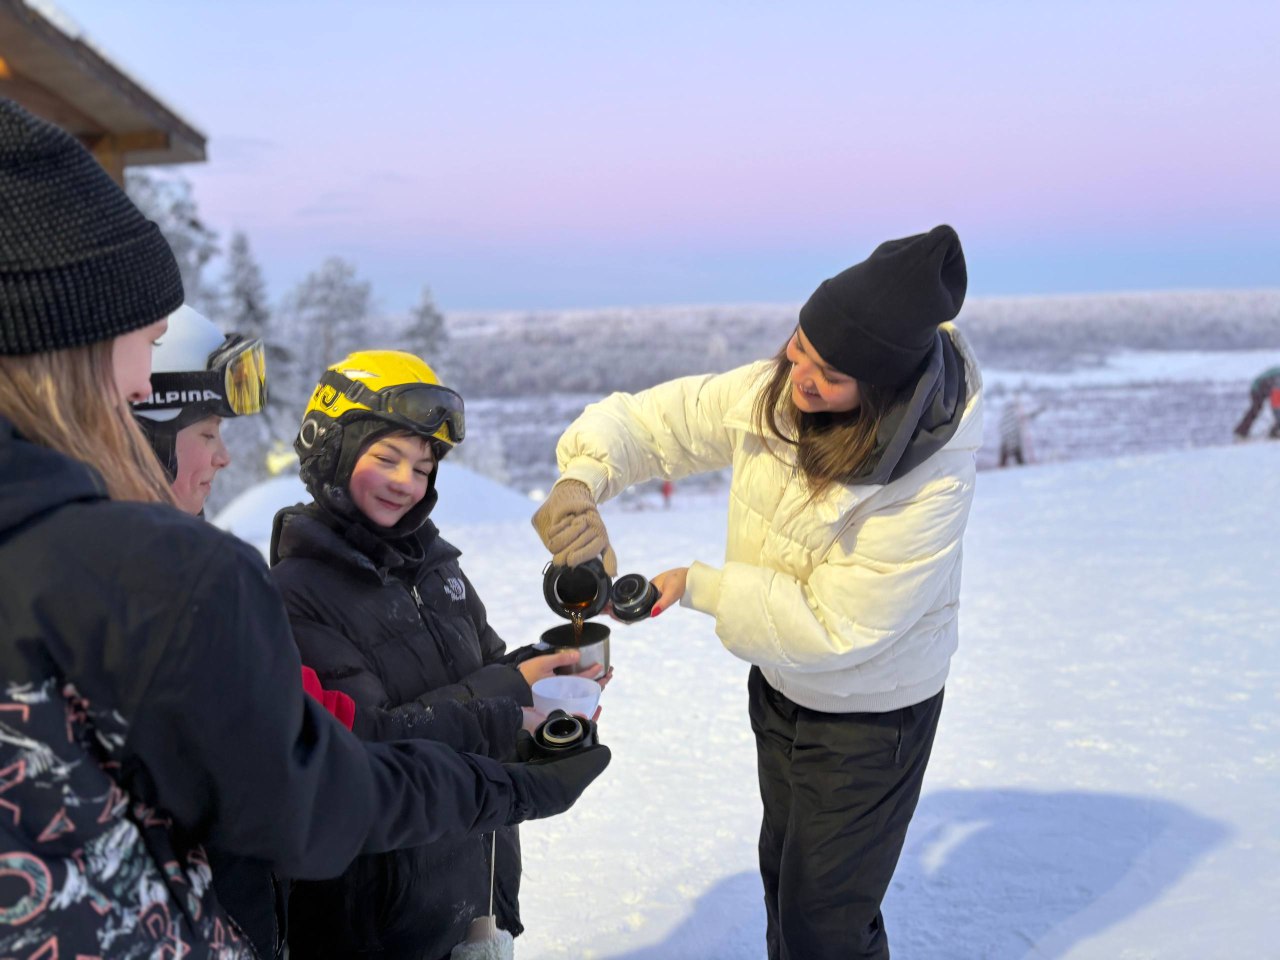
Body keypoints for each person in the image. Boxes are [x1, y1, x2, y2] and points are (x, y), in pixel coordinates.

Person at [0, 98, 609, 958]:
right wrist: (514, 780)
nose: (139, 381)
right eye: (140, 341)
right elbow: (329, 776)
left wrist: (521, 683)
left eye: (424, 464)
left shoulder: (435, 568)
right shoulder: (188, 586)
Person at [532, 225, 982, 960]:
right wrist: (582, 479)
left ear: (881, 385)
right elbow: (652, 424)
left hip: (873, 714)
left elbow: (844, 626)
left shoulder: (925, 475)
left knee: (824, 923)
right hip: (780, 687)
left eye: (829, 374)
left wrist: (696, 585)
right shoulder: (774, 393)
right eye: (799, 344)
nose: (800, 375)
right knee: (785, 879)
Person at [272, 349, 608, 959]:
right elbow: (368, 744)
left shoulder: (434, 566)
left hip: (471, 884)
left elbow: (487, 670)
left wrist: (550, 678)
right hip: (379, 918)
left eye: (424, 467)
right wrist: (513, 692)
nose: (408, 482)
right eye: (387, 458)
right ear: (333, 449)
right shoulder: (296, 593)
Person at [1233, 365, 1280, 440]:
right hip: (1257, 389)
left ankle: (1275, 430)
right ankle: (1241, 431)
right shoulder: (1278, 379)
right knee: (1256, 409)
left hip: (1267, 387)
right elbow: (1276, 405)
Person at [997, 393, 1041, 466]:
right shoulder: (1014, 416)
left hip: (1008, 443)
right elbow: (1027, 417)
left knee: (1008, 461)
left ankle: (1001, 471)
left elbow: (1001, 430)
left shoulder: (1006, 418)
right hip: (1012, 443)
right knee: (1018, 461)